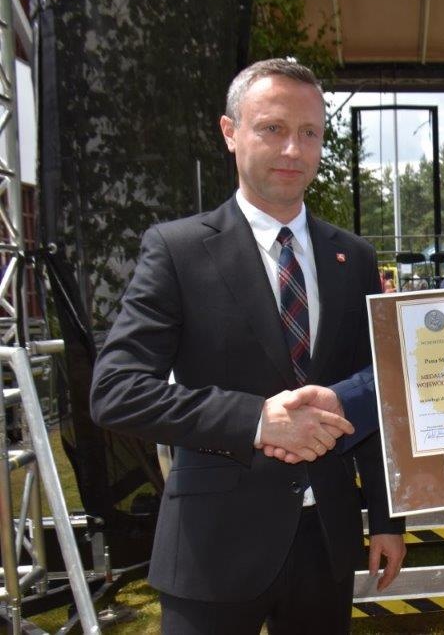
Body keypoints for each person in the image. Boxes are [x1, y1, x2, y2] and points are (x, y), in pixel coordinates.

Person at [90, 58, 405, 634]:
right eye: (272, 128)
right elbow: (116, 392)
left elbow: (373, 390)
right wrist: (258, 421)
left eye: (309, 132)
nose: (293, 149)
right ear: (230, 132)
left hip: (326, 544)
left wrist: (387, 518)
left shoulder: (354, 257)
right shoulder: (177, 251)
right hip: (213, 546)